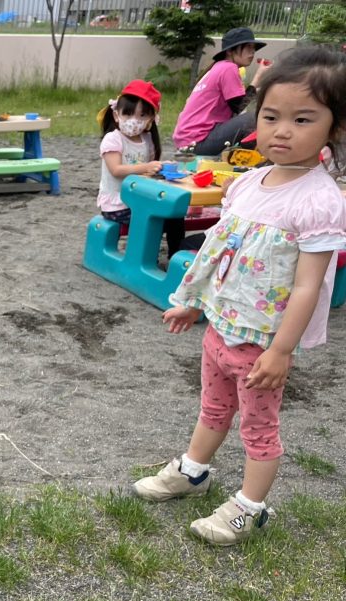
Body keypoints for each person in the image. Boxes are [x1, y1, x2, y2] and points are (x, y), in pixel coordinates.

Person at [134, 46, 346, 546]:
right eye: (271, 117)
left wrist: (281, 350)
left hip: (262, 344)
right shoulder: (248, 183)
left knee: (258, 427)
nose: (282, 131)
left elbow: (308, 285)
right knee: (212, 408)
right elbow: (221, 252)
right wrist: (195, 303)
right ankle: (193, 471)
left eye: (302, 119)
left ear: (334, 128)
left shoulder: (319, 201)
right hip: (221, 329)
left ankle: (250, 508)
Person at [97, 79, 186, 260]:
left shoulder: (147, 140)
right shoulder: (113, 139)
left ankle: (175, 259)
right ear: (116, 115)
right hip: (118, 204)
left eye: (142, 115)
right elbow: (116, 170)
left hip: (140, 199)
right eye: (128, 114)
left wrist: (160, 168)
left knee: (175, 216)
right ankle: (143, 259)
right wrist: (146, 166)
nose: (134, 121)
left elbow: (148, 171)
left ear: (151, 120)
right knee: (151, 218)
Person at [172, 27, 273, 156]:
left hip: (187, 142)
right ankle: (248, 162)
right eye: (248, 47)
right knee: (254, 118)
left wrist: (263, 87)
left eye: (253, 48)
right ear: (230, 51)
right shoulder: (228, 68)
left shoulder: (218, 67)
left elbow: (239, 100)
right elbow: (239, 106)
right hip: (198, 142)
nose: (252, 52)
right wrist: (258, 76)